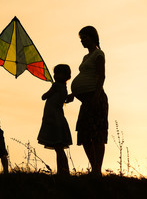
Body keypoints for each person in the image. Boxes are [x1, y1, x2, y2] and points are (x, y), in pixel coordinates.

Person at [66, 26, 109, 176]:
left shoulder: (99, 54)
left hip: (95, 98)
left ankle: (97, 170)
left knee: (97, 134)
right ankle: (94, 167)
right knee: (84, 134)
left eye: (84, 38)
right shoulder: (86, 57)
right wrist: (73, 93)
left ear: (92, 37)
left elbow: (101, 76)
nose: (82, 41)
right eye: (81, 39)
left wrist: (96, 96)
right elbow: (87, 77)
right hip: (85, 100)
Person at [37, 64, 72, 175]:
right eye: (55, 73)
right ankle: (62, 170)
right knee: (59, 148)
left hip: (53, 118)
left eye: (58, 73)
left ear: (65, 75)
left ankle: (63, 171)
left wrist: (49, 91)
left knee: (58, 147)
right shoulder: (64, 87)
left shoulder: (56, 86)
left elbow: (44, 96)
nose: (55, 75)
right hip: (57, 117)